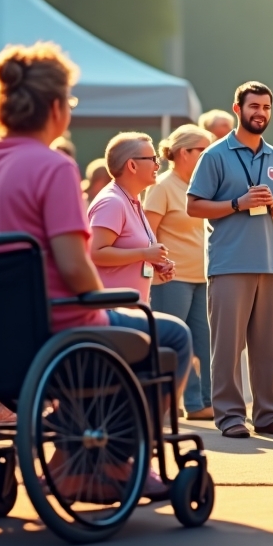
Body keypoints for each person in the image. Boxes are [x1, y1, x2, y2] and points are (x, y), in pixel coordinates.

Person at [0, 44, 181, 499]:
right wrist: (111, 301)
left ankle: (72, 450)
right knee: (171, 336)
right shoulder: (53, 166)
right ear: (54, 107)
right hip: (51, 329)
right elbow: (75, 265)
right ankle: (109, 461)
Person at [186, 81, 273, 438]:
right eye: (254, 106)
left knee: (269, 346)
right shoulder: (215, 155)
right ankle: (231, 416)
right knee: (227, 346)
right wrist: (238, 203)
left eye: (266, 107)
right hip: (229, 263)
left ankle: (267, 414)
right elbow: (194, 206)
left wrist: (271, 204)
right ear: (238, 109)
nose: (260, 113)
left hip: (267, 262)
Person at [87, 132, 195, 417]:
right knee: (175, 344)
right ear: (132, 165)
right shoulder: (112, 201)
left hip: (132, 309)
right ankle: (147, 429)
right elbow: (95, 252)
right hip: (112, 313)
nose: (158, 164)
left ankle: (144, 429)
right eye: (152, 159)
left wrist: (156, 263)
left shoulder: (131, 200)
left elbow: (132, 250)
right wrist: (144, 255)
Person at [145, 124, 215, 420]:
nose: (210, 155)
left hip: (203, 276)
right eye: (204, 150)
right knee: (176, 342)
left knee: (206, 341)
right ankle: (192, 403)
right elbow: (149, 234)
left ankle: (210, 401)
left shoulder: (202, 186)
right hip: (172, 279)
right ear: (184, 153)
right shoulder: (161, 186)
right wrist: (157, 268)